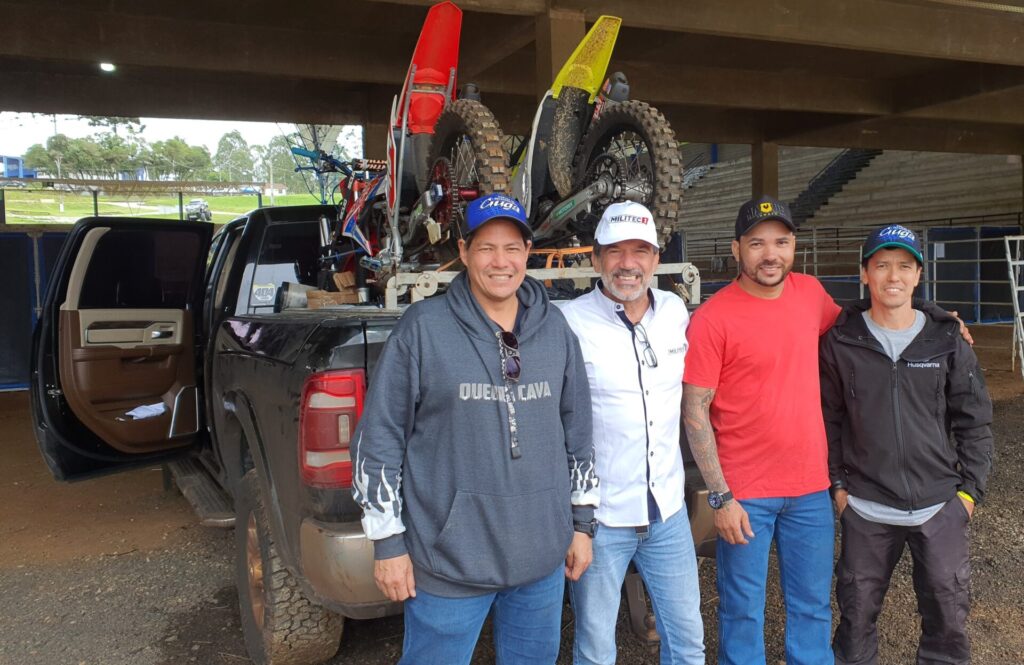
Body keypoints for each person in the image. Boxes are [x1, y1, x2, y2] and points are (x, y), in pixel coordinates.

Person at [351, 191, 600, 665]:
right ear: (463, 253)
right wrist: (387, 542)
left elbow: (579, 433)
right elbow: (380, 437)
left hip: (540, 564)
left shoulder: (557, 331)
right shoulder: (423, 329)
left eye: (512, 248)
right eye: (486, 248)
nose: (500, 261)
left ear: (529, 253)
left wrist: (582, 526)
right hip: (448, 564)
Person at [820, 224, 993, 665]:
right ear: (865, 274)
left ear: (918, 275)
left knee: (948, 620)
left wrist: (969, 493)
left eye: (903, 266)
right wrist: (839, 488)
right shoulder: (840, 341)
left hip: (939, 506)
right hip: (866, 506)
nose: (892, 276)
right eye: (881, 265)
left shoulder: (946, 338)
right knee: (856, 619)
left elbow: (974, 421)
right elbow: (829, 421)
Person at [682, 195, 838, 665]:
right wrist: (721, 497)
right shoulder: (712, 318)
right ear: (736, 249)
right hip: (744, 493)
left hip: (811, 487)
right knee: (742, 610)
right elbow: (695, 411)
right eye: (757, 243)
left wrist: (938, 320)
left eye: (781, 242)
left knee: (812, 606)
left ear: (793, 246)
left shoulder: (812, 295)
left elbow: (863, 329)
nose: (770, 254)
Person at [560, 201, 705, 665]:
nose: (628, 263)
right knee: (595, 646)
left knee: (687, 639)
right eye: (615, 251)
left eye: (640, 251)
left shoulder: (675, 311)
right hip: (600, 519)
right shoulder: (570, 321)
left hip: (667, 513)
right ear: (596, 259)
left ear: (656, 259)